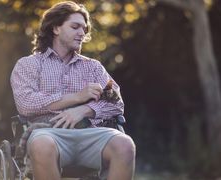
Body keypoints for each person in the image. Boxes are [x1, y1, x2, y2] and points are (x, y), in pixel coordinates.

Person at [10, 1, 136, 180]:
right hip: (48, 133)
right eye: (75, 27)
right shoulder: (29, 64)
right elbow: (26, 104)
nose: (82, 33)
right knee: (41, 144)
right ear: (56, 28)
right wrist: (77, 97)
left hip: (90, 133)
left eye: (84, 29)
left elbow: (116, 102)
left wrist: (85, 110)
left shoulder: (93, 67)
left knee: (125, 144)